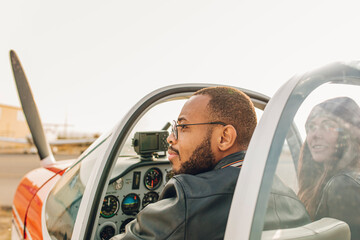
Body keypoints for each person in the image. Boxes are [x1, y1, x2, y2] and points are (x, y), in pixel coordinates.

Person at [112, 86, 309, 240]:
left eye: (182, 126)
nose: (171, 138)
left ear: (224, 137)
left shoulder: (187, 198)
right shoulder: (292, 201)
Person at [298, 97, 360, 239]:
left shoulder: (344, 185)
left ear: (348, 134)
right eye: (311, 127)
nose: (315, 135)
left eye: (328, 126)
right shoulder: (323, 182)